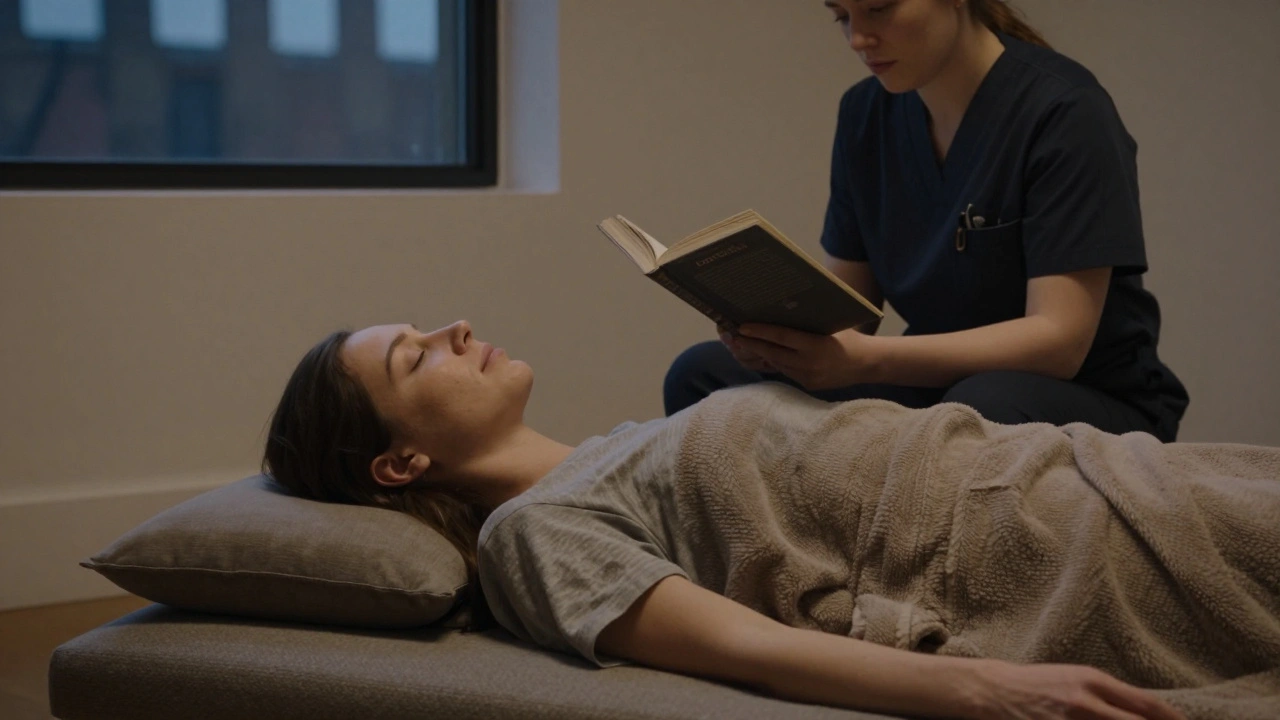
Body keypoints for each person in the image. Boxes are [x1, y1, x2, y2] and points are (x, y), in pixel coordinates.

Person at [264, 320, 1280, 720]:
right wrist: (982, 688)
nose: (449, 330)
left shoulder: (618, 443)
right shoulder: (528, 532)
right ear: (399, 462)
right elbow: (743, 650)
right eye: (413, 359)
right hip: (1043, 546)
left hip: (1079, 472)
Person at [663, 0, 1190, 443]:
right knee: (703, 374)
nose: (858, 38)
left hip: (1085, 394)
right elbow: (851, 316)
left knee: (978, 407)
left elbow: (1059, 343)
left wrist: (865, 362)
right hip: (934, 385)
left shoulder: (1065, 111)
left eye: (879, 8)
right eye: (841, 15)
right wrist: (779, 344)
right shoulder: (864, 115)